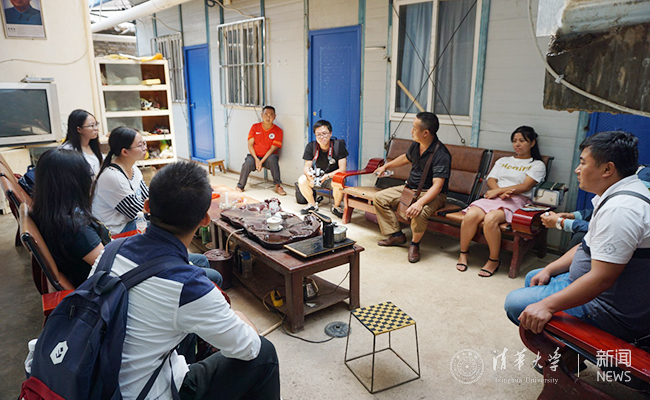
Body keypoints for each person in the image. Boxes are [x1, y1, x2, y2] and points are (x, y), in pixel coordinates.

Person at [88, 161, 280, 400]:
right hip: (143, 392)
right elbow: (249, 348)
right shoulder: (188, 286)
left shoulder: (110, 251)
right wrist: (240, 317)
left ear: (147, 207)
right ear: (205, 219)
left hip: (93, 380)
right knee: (265, 353)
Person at [504, 131, 650, 343]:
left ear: (607, 169)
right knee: (535, 276)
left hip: (607, 308)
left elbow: (602, 279)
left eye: (583, 163)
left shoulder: (621, 210)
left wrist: (547, 306)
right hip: (592, 286)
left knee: (515, 303)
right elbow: (586, 245)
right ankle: (558, 344)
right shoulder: (617, 193)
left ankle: (561, 352)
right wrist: (549, 268)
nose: (577, 169)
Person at [93, 127, 221, 284]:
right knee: (170, 226)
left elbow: (149, 198)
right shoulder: (112, 177)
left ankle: (177, 260)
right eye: (140, 144)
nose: (145, 147)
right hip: (118, 231)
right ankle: (173, 262)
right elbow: (135, 211)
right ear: (125, 151)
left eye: (144, 143)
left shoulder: (134, 170)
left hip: (134, 222)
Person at [456, 126, 546, 277]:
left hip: (517, 199)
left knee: (491, 219)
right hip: (495, 196)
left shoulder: (536, 164)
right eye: (514, 141)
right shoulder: (503, 160)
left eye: (522, 141)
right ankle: (463, 253)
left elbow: (525, 186)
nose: (517, 144)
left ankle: (493, 260)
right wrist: (498, 191)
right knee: (471, 215)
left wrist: (499, 191)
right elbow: (491, 179)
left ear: (532, 143)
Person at [373, 111, 451, 263]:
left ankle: (415, 244)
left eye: (415, 128)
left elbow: (437, 186)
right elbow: (405, 158)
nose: (411, 131)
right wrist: (386, 166)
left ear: (426, 133)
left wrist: (419, 203)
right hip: (410, 188)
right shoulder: (417, 145)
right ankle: (396, 235)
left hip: (432, 193)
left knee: (419, 212)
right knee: (379, 198)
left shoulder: (441, 154)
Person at [30, 148, 110, 288]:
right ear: (76, 183)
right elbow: (111, 268)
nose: (92, 181)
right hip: (100, 289)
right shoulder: (77, 229)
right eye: (89, 175)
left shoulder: (48, 213)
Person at [297, 120, 348, 217]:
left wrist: (327, 176)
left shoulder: (338, 146)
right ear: (315, 135)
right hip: (317, 178)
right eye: (319, 134)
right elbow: (307, 166)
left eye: (324, 133)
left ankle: (336, 207)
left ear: (330, 133)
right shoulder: (311, 146)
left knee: (339, 180)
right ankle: (312, 205)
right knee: (302, 180)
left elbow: (342, 169)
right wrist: (308, 173)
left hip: (332, 178)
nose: (322, 137)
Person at [236, 106, 286, 196]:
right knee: (247, 163)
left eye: (271, 115)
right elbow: (250, 144)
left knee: (273, 160)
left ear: (275, 117)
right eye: (266, 114)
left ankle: (278, 186)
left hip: (268, 158)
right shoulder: (255, 127)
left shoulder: (278, 131)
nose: (268, 117)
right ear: (262, 115)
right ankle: (240, 186)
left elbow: (273, 149)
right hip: (255, 157)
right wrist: (256, 159)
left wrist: (261, 162)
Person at [60, 109, 103, 178]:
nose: (96, 128)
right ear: (79, 129)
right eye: (92, 125)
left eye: (96, 124)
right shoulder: (67, 151)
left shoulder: (93, 146)